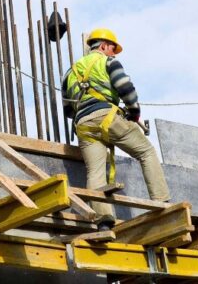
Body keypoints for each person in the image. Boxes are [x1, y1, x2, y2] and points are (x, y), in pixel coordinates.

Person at [62, 28, 170, 230]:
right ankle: (162, 203)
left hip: (83, 125)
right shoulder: (108, 62)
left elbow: (68, 109)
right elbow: (125, 88)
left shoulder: (70, 72)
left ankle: (103, 221)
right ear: (103, 46)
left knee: (94, 172)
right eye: (112, 49)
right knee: (146, 152)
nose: (114, 53)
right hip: (108, 117)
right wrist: (133, 112)